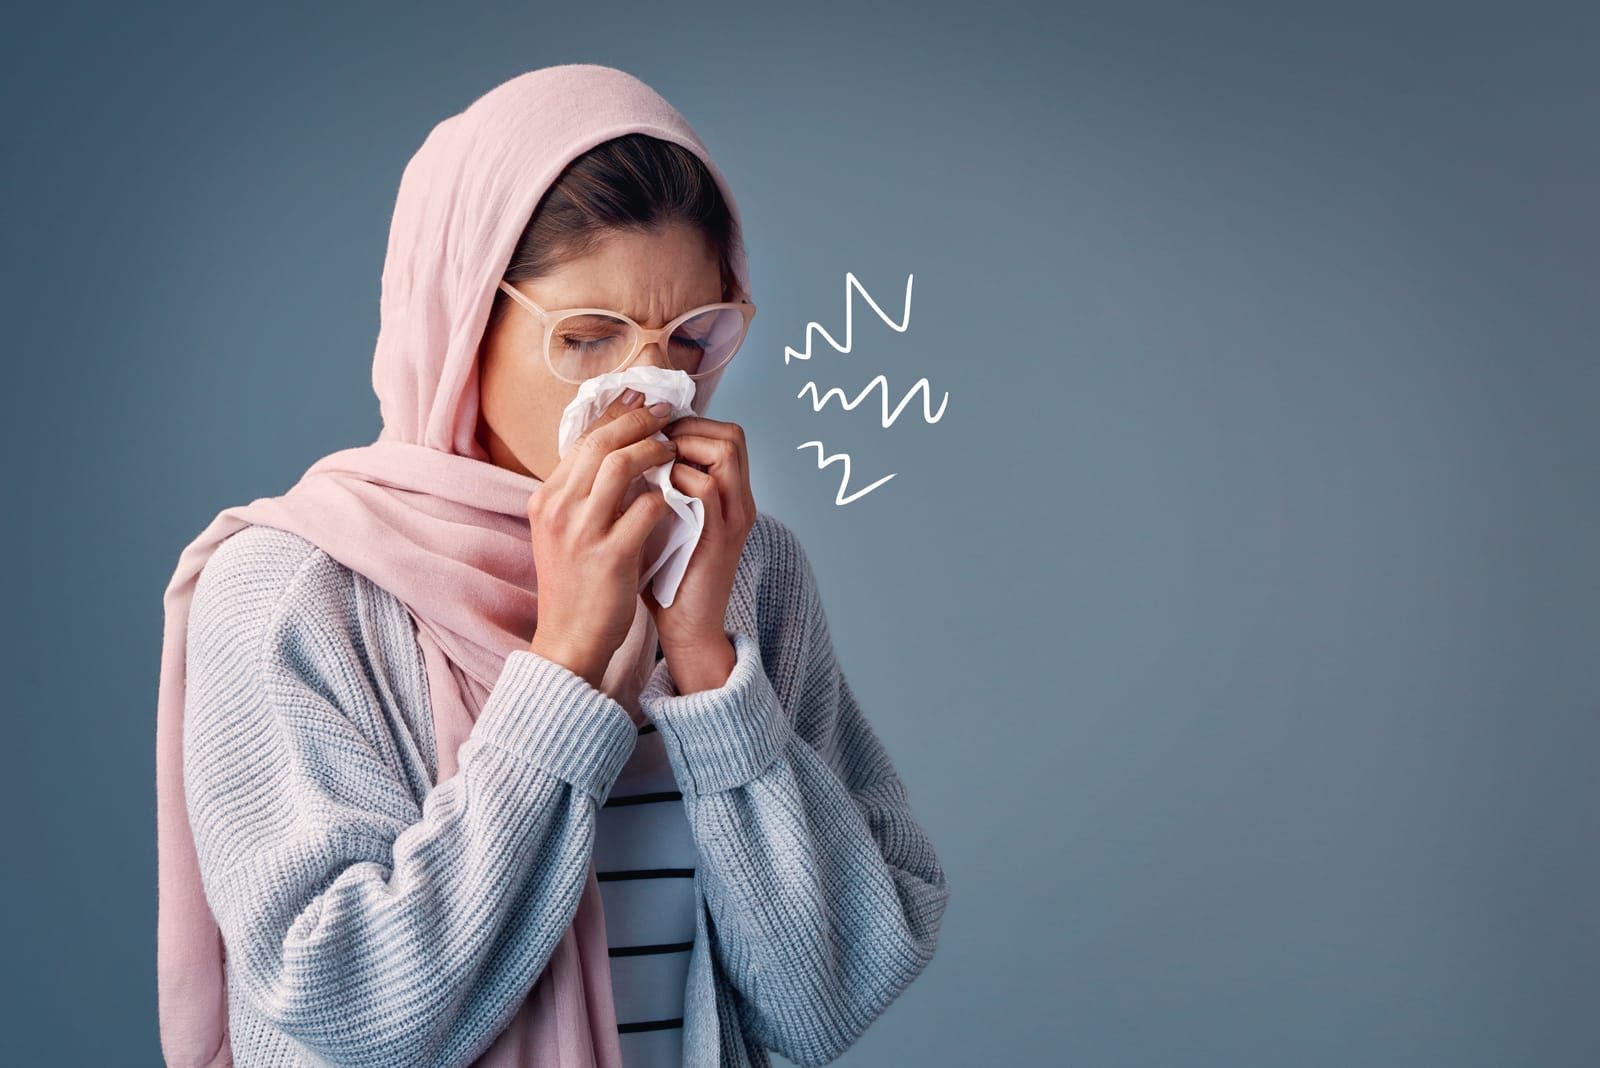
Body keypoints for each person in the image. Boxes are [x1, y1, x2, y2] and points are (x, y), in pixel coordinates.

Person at [156, 64, 949, 1068]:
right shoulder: (293, 590)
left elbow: (831, 999)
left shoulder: (747, 571)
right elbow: (351, 1009)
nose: (647, 386)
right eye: (586, 337)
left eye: (689, 338)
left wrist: (708, 667)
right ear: (458, 324)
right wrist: (568, 665)